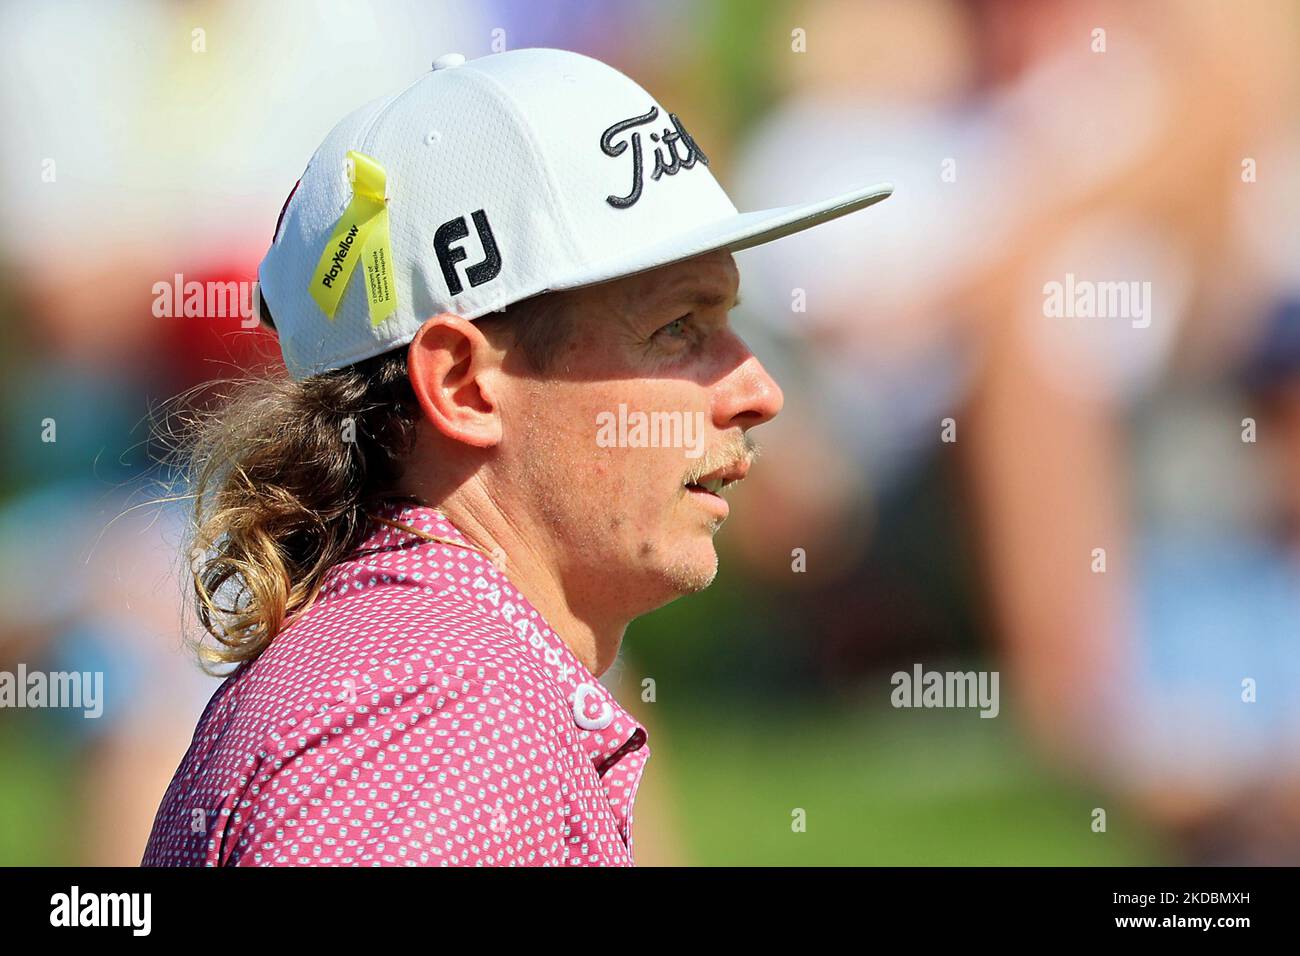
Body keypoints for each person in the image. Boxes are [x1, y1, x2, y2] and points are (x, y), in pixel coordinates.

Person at [140, 46, 892, 866]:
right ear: (463, 385)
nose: (758, 389)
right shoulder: (439, 717)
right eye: (679, 326)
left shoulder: (430, 679)